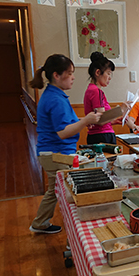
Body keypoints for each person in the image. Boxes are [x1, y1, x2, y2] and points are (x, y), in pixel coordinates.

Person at [29, 54, 101, 234]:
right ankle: (76, 235)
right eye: (69, 73)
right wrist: (85, 121)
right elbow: (62, 133)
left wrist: (82, 120)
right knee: (70, 194)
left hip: (50, 152)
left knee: (54, 191)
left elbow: (65, 124)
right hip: (57, 153)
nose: (73, 77)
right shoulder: (56, 99)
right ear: (56, 75)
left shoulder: (53, 95)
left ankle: (40, 223)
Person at [84, 52, 129, 144]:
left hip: (98, 136)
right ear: (98, 72)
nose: (110, 78)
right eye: (108, 73)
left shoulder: (91, 89)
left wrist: (113, 121)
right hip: (102, 137)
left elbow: (98, 120)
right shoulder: (96, 91)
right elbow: (101, 120)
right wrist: (121, 109)